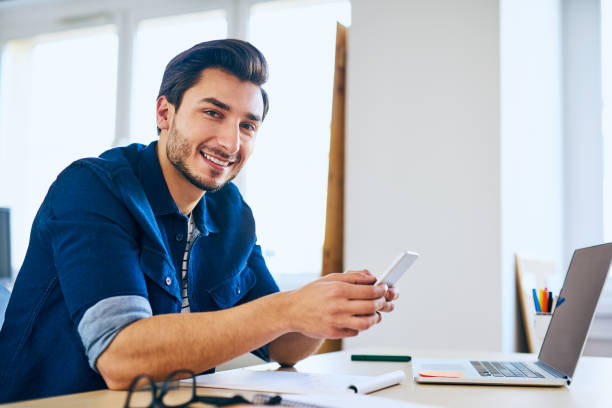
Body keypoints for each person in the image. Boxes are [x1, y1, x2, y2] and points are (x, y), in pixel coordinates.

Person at [0, 39, 398, 403]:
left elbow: (284, 348)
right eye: (213, 113)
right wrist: (288, 307)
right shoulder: (93, 188)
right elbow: (120, 358)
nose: (230, 142)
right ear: (164, 112)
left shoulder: (230, 211)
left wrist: (328, 310)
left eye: (248, 125)